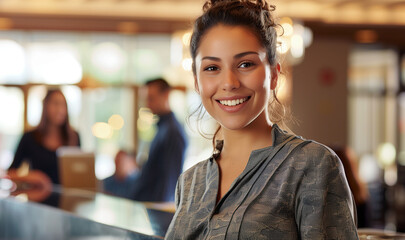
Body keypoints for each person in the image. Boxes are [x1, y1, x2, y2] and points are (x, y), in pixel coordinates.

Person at [165, 0, 358, 239]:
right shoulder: (190, 182)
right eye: (212, 68)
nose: (229, 83)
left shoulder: (312, 165)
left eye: (246, 64)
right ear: (196, 82)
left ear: (274, 75)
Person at [109, 78, 188, 202]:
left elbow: (169, 180)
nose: (147, 104)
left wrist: (161, 212)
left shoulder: (172, 132)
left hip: (157, 208)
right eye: (146, 99)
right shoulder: (163, 129)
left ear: (166, 95)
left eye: (151, 98)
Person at [8, 89, 80, 185]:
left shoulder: (74, 137)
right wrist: (33, 177)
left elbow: (79, 171)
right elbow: (10, 173)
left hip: (67, 198)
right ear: (45, 106)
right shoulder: (29, 137)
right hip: (37, 197)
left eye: (63, 105)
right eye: (55, 104)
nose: (60, 110)